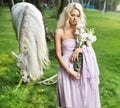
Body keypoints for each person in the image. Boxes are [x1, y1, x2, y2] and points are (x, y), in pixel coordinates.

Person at [54, 2, 100, 108]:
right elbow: (58, 54)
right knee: (69, 100)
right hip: (66, 69)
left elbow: (90, 49)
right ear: (67, 15)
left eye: (78, 15)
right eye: (72, 15)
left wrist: (79, 50)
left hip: (82, 69)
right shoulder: (59, 32)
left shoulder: (81, 31)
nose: (75, 18)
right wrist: (69, 71)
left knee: (82, 98)